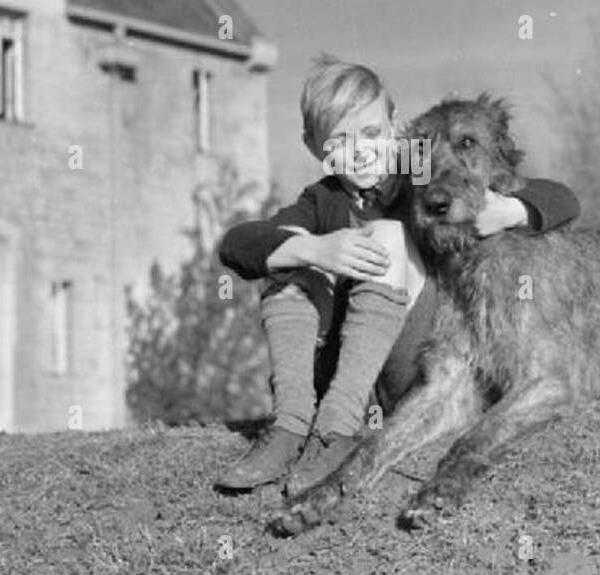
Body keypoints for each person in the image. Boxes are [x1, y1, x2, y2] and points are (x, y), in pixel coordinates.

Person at [215, 57, 580, 493]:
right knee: (286, 258)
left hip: (420, 365)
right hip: (352, 374)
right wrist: (314, 247)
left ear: (395, 127)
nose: (360, 151)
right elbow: (237, 244)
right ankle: (291, 426)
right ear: (315, 148)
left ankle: (337, 429)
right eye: (340, 142)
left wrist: (509, 209)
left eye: (371, 134)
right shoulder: (321, 201)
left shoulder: (416, 178)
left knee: (387, 235)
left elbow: (562, 198)